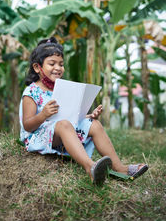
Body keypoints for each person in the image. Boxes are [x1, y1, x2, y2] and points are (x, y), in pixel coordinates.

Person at [19, 37, 148, 185]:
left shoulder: (62, 88)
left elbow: (67, 116)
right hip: (38, 137)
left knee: (93, 124)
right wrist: (43, 115)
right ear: (37, 67)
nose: (58, 68)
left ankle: (119, 168)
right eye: (52, 64)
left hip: (61, 130)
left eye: (61, 64)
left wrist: (87, 117)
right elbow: (28, 125)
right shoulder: (32, 92)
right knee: (64, 125)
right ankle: (91, 167)